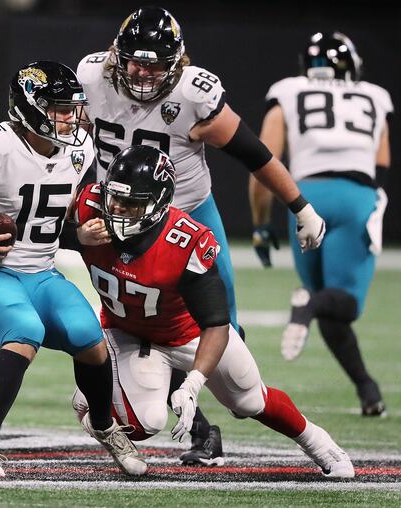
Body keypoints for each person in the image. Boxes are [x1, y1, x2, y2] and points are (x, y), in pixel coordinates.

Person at [77, 5, 326, 465]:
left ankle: (219, 402)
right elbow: (73, 147)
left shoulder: (195, 95)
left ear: (177, 63)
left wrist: (300, 205)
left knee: (224, 329)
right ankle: (199, 430)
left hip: (189, 215)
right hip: (121, 216)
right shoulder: (92, 78)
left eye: (155, 65)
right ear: (117, 54)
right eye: (134, 61)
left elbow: (255, 153)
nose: (143, 73)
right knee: (140, 314)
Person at [72, 144, 355, 479]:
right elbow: (40, 236)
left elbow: (216, 322)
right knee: (145, 423)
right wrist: (75, 235)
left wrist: (192, 383)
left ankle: (319, 443)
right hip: (125, 331)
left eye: (132, 204)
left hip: (188, 334)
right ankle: (91, 401)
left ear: (159, 204)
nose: (117, 209)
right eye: (114, 199)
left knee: (250, 400)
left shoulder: (184, 242)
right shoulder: (89, 207)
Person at [0, 60, 147, 478]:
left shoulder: (79, 148)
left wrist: (81, 235)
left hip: (42, 271)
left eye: (73, 107)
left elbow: (51, 224)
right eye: (60, 108)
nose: (71, 117)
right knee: (24, 333)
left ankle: (103, 425)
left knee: (89, 336)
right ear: (29, 108)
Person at [249, 32, 392, 416]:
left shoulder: (288, 90)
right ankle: (307, 305)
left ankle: (367, 389)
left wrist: (261, 226)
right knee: (342, 304)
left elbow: (262, 163)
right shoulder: (375, 96)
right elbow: (381, 161)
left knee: (325, 304)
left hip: (304, 198)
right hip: (354, 195)